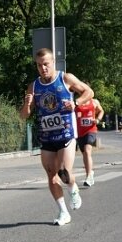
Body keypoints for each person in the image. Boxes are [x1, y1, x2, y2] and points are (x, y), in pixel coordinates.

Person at [20, 48, 93, 226]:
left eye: (46, 64)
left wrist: (75, 103)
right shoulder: (34, 86)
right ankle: (63, 212)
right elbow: (24, 115)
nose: (43, 68)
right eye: (39, 65)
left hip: (66, 133)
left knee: (64, 172)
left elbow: (89, 92)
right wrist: (28, 105)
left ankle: (72, 188)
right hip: (46, 137)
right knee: (51, 175)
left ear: (53, 63)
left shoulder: (65, 78)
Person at [74, 91, 104, 187]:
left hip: (91, 130)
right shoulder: (76, 102)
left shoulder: (94, 102)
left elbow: (101, 111)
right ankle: (90, 172)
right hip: (79, 132)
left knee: (87, 151)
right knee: (84, 154)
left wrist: (98, 119)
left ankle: (88, 176)